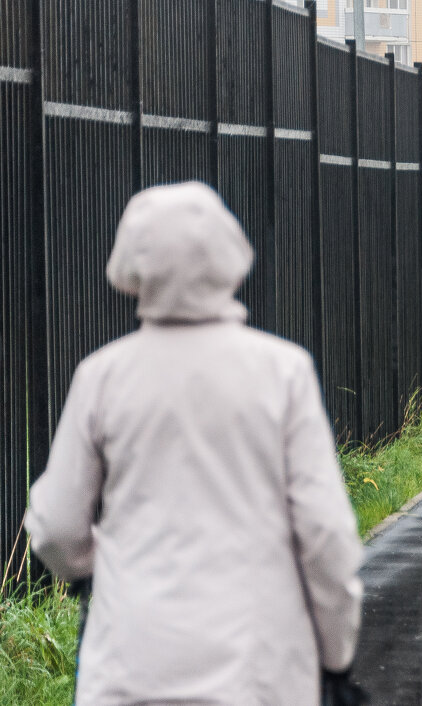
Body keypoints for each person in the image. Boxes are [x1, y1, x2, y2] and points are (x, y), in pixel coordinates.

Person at [25, 182, 365, 705]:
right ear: (230, 255)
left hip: (129, 665)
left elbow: (55, 525)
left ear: (132, 265)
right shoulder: (282, 372)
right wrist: (335, 654)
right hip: (259, 670)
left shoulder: (103, 378)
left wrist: (100, 571)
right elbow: (325, 533)